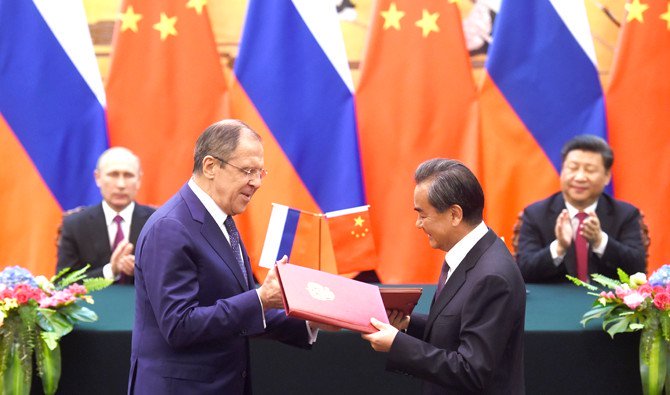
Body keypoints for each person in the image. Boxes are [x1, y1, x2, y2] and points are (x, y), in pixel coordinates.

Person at [128, 119, 326, 394]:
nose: (256, 183)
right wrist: (260, 298)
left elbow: (236, 313)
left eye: (260, 172)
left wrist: (307, 321)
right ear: (210, 166)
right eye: (247, 171)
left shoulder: (222, 221)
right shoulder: (171, 227)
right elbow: (179, 326)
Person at [362, 159, 526, 394]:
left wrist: (398, 344)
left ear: (455, 214)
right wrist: (408, 324)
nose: (418, 224)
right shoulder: (469, 253)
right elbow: (458, 326)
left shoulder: (492, 276)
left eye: (423, 214)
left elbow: (472, 370)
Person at [516, 135, 646, 283]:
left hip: (607, 303)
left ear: (607, 176)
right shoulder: (535, 214)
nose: (579, 177)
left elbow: (638, 269)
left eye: (590, 170)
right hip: (555, 302)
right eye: (573, 168)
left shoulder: (626, 214)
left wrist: (600, 241)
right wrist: (559, 247)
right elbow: (523, 271)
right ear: (562, 171)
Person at [57, 147, 154, 284]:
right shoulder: (75, 225)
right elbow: (62, 285)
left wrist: (141, 271)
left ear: (138, 180)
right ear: (98, 178)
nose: (121, 184)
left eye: (128, 175)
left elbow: (173, 278)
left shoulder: (157, 222)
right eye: (113, 175)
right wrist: (110, 271)